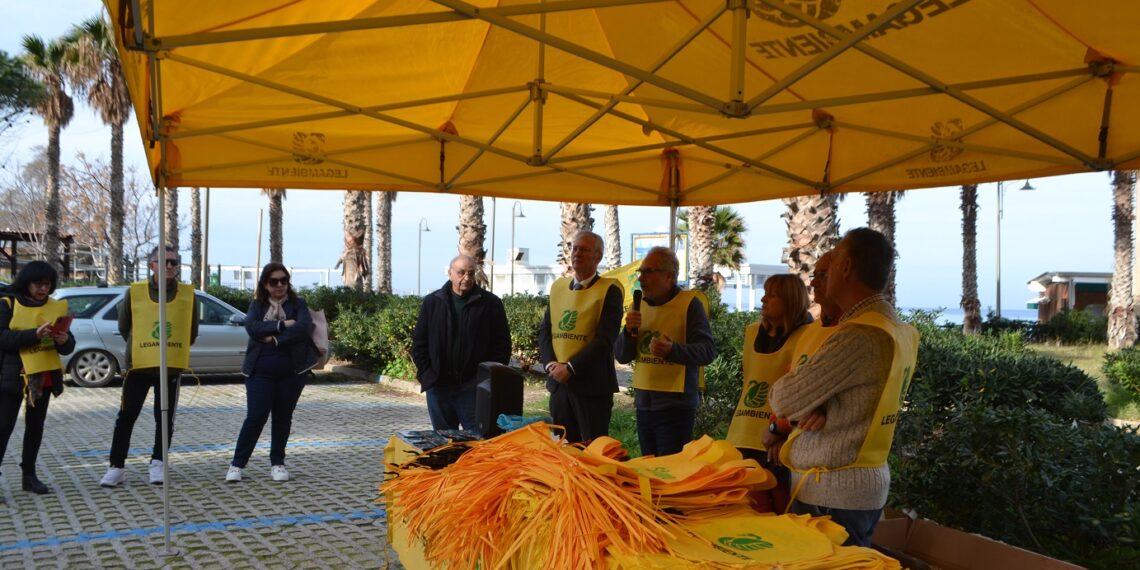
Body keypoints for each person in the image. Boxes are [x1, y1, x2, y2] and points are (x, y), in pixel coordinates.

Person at [770, 228, 920, 546]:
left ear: (847, 267)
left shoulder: (858, 336)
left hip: (833, 492)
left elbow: (783, 397)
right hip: (861, 484)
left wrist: (803, 398)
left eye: (833, 261)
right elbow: (863, 397)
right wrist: (819, 403)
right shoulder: (898, 329)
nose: (818, 279)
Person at [101, 245, 199, 487]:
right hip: (139, 366)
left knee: (164, 417)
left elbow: (191, 330)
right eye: (163, 261)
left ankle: (158, 462)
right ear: (151, 265)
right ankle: (116, 466)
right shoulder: (135, 292)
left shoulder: (188, 294)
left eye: (174, 262)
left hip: (171, 367)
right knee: (127, 415)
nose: (169, 266)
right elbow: (125, 326)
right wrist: (142, 347)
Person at [615, 246, 716, 457]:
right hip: (644, 406)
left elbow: (707, 351)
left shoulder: (690, 304)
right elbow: (622, 356)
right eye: (640, 272)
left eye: (648, 272)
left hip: (675, 409)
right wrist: (627, 331)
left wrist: (673, 350)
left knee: (668, 474)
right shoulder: (637, 305)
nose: (641, 278)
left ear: (669, 276)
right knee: (648, 468)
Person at [725, 274, 812, 512]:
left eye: (771, 295)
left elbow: (803, 393)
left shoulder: (808, 336)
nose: (763, 299)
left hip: (779, 439)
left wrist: (781, 430)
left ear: (790, 300)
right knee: (749, 507)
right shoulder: (752, 332)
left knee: (782, 510)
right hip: (743, 435)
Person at [226, 263, 319, 483]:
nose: (280, 285)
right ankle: (237, 464)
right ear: (265, 285)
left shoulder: (298, 304)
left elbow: (304, 328)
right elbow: (252, 327)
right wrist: (282, 324)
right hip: (259, 371)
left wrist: (276, 338)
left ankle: (278, 463)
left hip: (292, 372)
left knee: (282, 417)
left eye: (283, 280)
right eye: (274, 281)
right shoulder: (257, 305)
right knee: (256, 416)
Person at [538, 231, 624, 443]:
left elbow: (605, 339)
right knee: (563, 448)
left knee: (592, 451)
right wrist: (550, 365)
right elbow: (545, 331)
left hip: (592, 388)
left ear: (598, 257)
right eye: (574, 248)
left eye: (584, 249)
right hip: (559, 385)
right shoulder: (558, 287)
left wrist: (571, 368)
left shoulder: (609, 290)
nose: (577, 253)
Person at [0, 261, 75, 495]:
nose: (43, 289)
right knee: (3, 427)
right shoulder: (8, 303)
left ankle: (29, 476)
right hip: (12, 376)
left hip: (43, 376)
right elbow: (3, 339)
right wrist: (34, 334)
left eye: (47, 285)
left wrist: (65, 341)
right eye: (38, 284)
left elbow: (68, 344)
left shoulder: (56, 307)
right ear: (26, 282)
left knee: (35, 427)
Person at [412, 255, 511, 431]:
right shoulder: (432, 302)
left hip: (474, 389)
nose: (466, 278)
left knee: (477, 443)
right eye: (461, 272)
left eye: (471, 273)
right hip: (439, 388)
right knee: (444, 443)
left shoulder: (490, 304)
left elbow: (502, 346)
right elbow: (420, 343)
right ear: (450, 274)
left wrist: (485, 379)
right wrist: (428, 375)